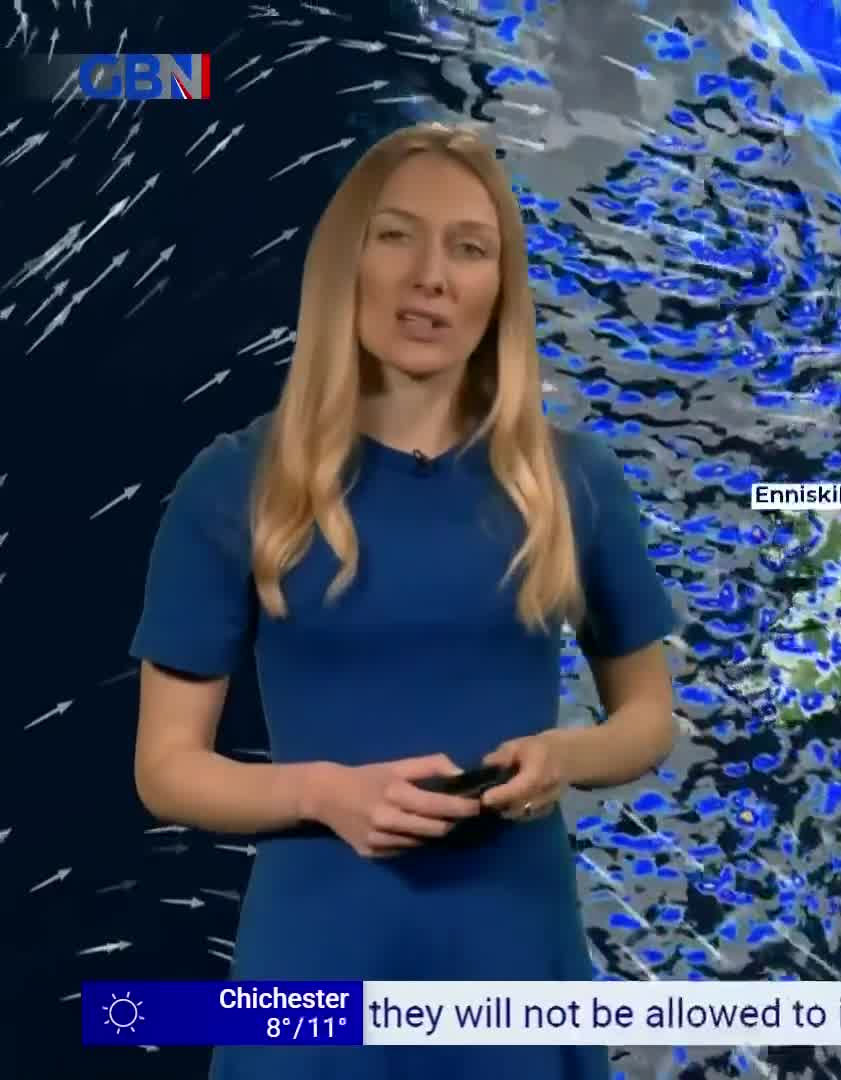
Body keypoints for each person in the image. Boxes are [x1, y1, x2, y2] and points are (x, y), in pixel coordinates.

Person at [130, 122, 679, 1080]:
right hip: (316, 969)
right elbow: (166, 768)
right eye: (397, 236)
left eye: (469, 247)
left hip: (512, 960)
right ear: (347, 262)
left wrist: (567, 756)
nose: (432, 275)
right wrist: (322, 793)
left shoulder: (573, 484)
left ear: (499, 288)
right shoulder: (233, 487)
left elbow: (649, 717)